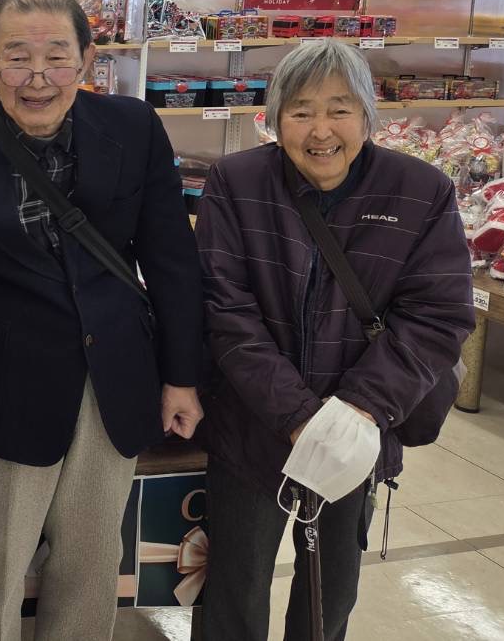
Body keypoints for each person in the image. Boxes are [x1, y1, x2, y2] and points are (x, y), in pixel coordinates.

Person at [0, 0, 204, 641]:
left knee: (91, 560)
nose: (37, 78)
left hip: (114, 372)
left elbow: (171, 259)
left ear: (88, 59)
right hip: (1, 381)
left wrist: (181, 375)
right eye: (16, 58)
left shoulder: (133, 127)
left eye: (57, 57)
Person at [196, 39, 475, 640]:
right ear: (274, 120)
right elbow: (225, 308)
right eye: (300, 111)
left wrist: (357, 410)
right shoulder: (237, 181)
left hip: (358, 437)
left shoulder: (420, 190)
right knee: (234, 588)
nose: (320, 130)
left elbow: (438, 315)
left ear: (368, 115)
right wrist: (298, 416)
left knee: (330, 595)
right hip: (253, 428)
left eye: (339, 109)